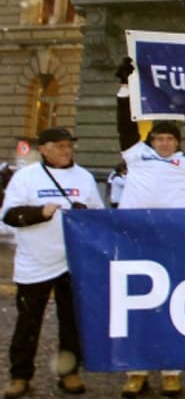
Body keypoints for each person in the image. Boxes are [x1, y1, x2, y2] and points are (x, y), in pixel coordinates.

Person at [114, 56, 185, 397]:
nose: (164, 143)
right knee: (134, 306)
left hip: (174, 244)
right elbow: (123, 125)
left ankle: (171, 370)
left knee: (171, 305)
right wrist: (124, 89)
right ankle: (135, 371)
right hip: (136, 240)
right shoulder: (137, 156)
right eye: (159, 138)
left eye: (170, 139)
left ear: (177, 143)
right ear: (152, 141)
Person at [0, 127, 103, 399]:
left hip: (72, 262)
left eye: (69, 145)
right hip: (35, 262)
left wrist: (86, 215)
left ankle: (69, 372)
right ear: (43, 148)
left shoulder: (84, 178)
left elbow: (99, 217)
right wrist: (39, 213)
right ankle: (20, 375)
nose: (66, 150)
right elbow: (8, 216)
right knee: (28, 322)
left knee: (71, 321)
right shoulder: (26, 177)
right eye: (59, 146)